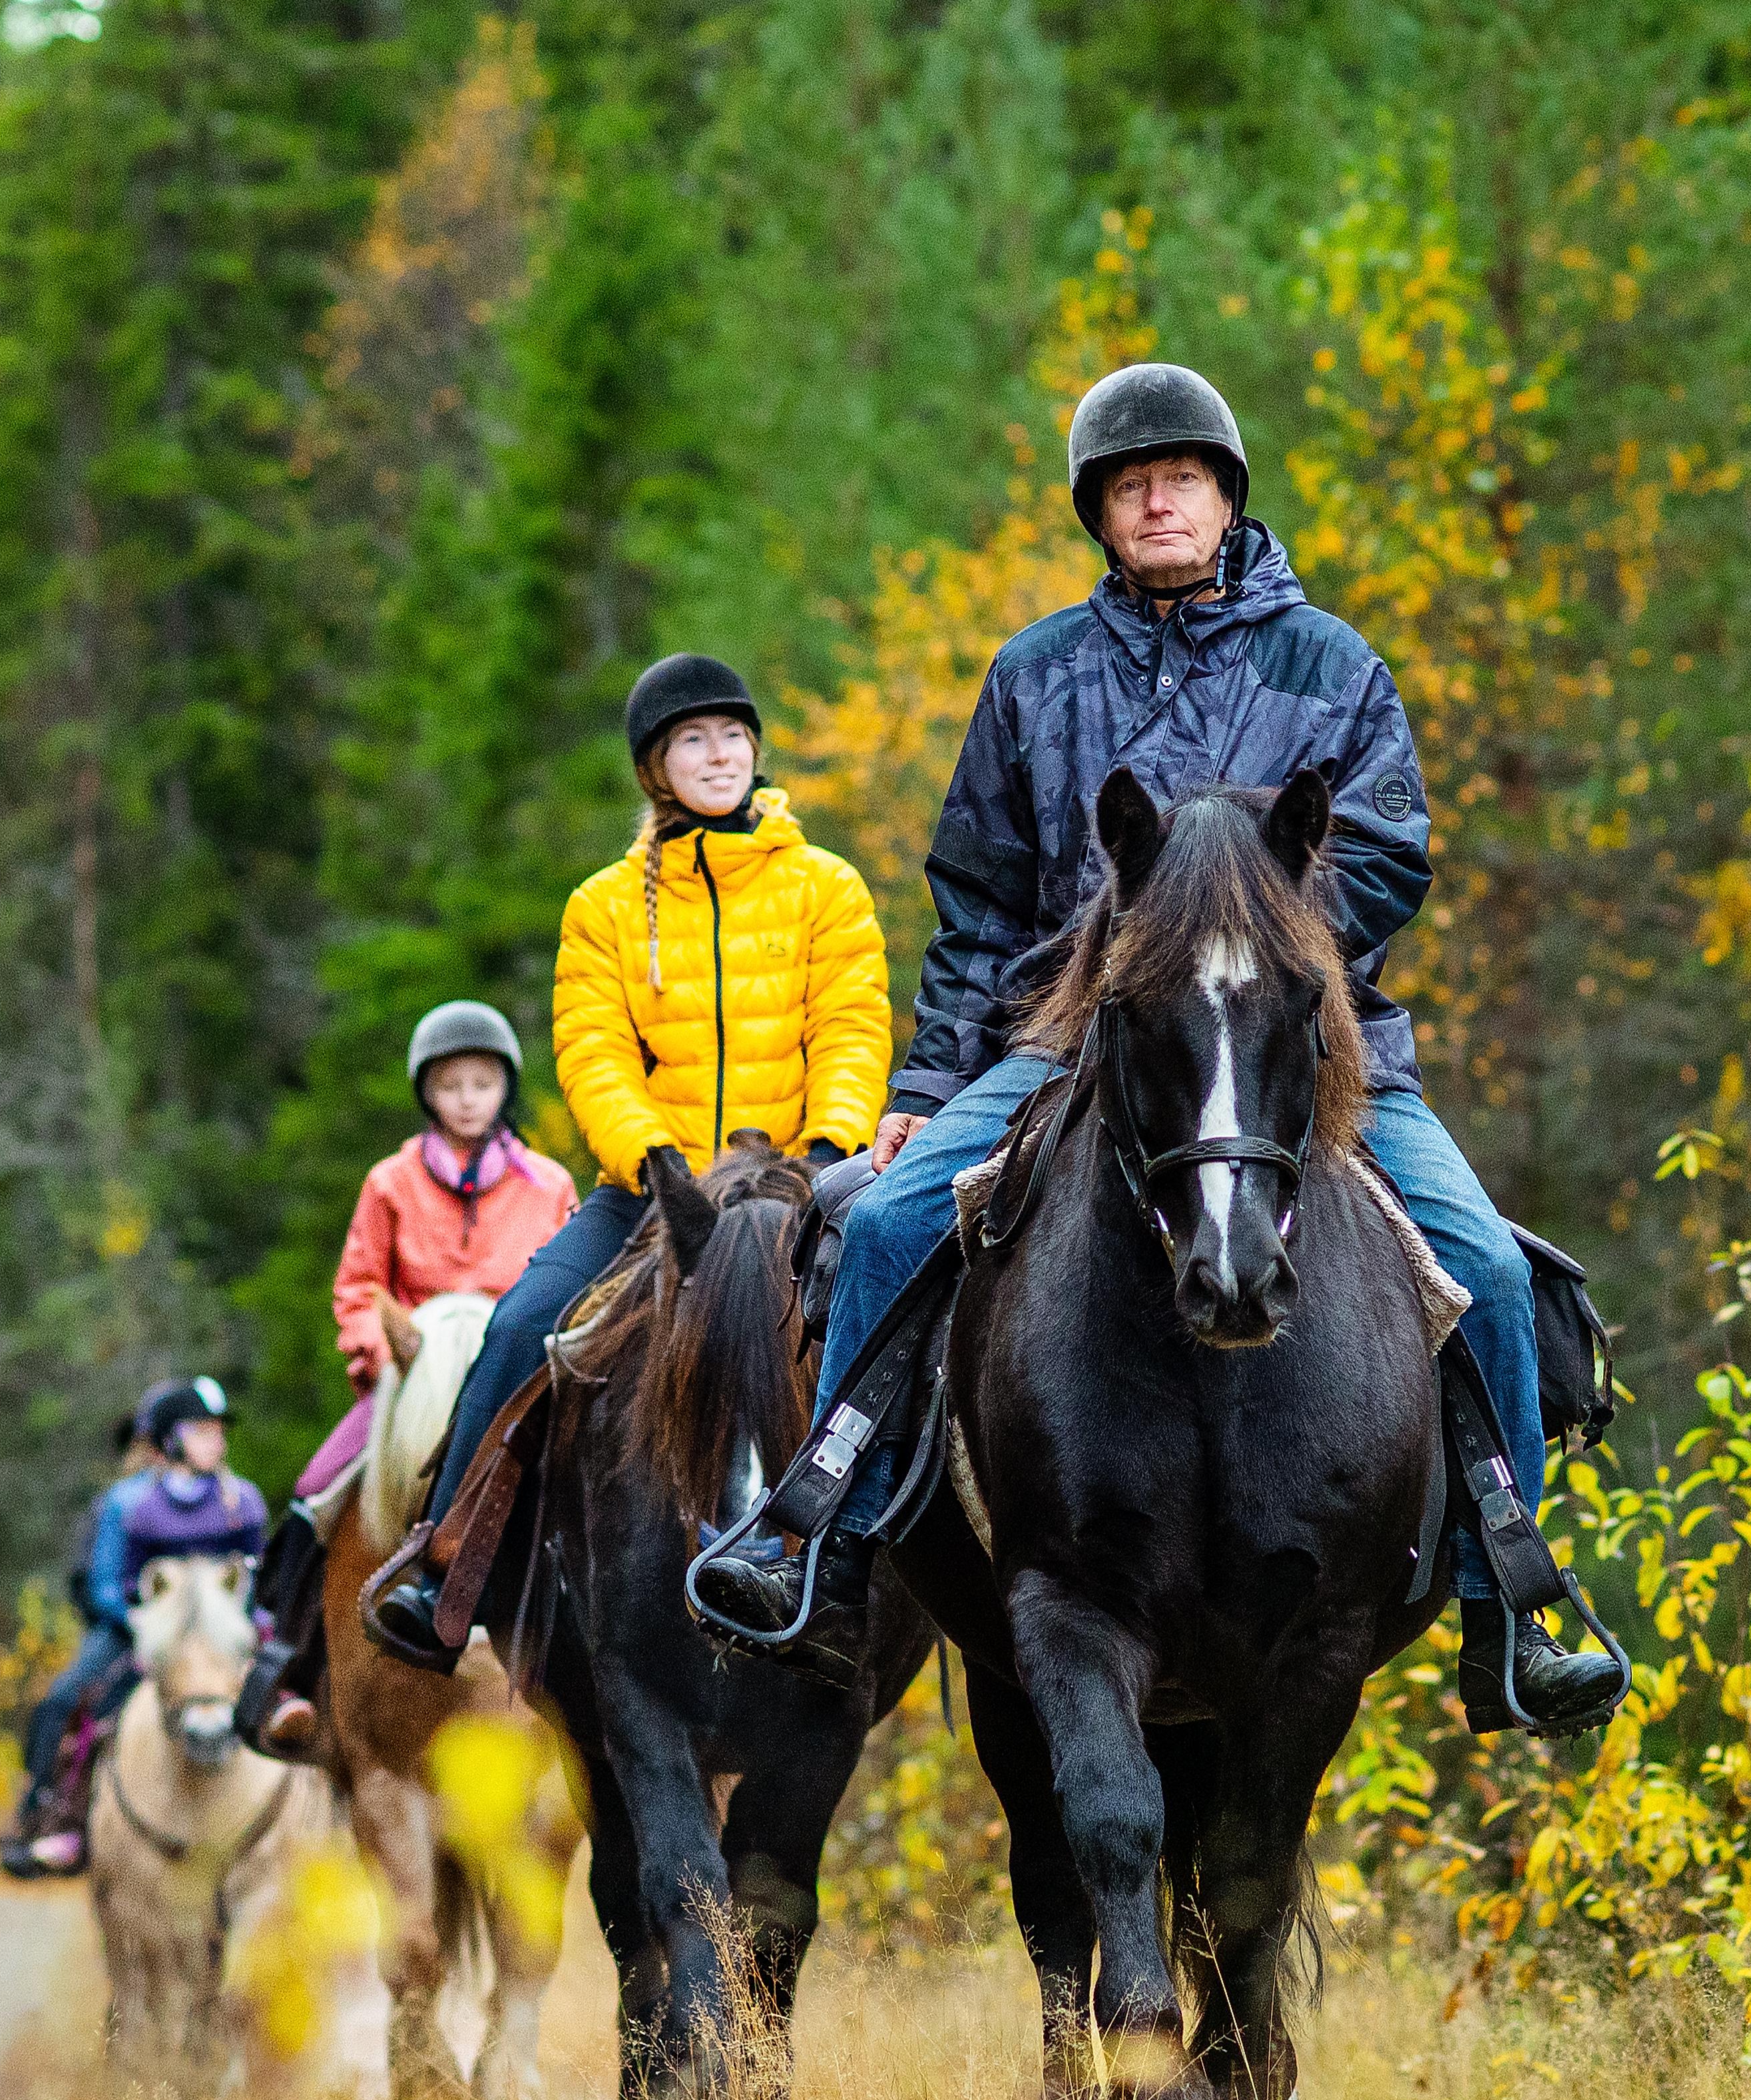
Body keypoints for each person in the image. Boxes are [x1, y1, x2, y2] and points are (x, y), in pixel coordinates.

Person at [683, 362, 1629, 1735]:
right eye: (1129, 485)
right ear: (1098, 516)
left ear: (1226, 495)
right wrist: (926, 1090)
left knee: (1480, 1264)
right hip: (1071, 1040)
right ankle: (811, 1542)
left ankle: (1515, 1605)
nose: (1156, 499)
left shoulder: (1335, 665)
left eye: (1179, 477)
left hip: (1304, 1047)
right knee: (882, 1221)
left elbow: (1385, 854)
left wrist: (1234, 946)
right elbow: (980, 901)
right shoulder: (1032, 675)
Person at [362, 652, 891, 1668]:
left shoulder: (827, 886)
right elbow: (592, 1048)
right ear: (656, 768)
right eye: (692, 740)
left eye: (732, 734)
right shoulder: (604, 906)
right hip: (657, 1193)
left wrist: (829, 1147)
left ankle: (889, 1572)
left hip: (799, 1184)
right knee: (521, 1325)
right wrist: (650, 1159)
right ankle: (449, 1562)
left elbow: (856, 1023)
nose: (718, 754)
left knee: (914, 1327)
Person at [228, 1000, 579, 1753]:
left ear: (503, 1089)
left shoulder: (548, 1185)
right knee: (316, 1491)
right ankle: (284, 1668)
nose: (465, 1099)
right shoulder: (389, 1182)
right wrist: (382, 1353)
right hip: (412, 1372)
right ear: (427, 1092)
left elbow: (573, 1285)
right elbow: (357, 1288)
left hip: (511, 1375)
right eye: (450, 1085)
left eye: (481, 1083)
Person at [0, 1376, 268, 1878]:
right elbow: (106, 1586)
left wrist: (258, 1627)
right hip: (137, 1632)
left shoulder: (241, 1501)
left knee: (300, 1681)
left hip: (226, 1634)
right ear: (170, 1440)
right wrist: (152, 1629)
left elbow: (261, 1576)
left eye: (218, 1430)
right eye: (201, 1430)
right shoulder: (129, 1505)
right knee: (65, 1700)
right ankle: (51, 1816)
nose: (217, 1440)